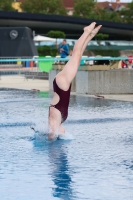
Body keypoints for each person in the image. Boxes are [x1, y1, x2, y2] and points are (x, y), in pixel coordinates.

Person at [48, 22, 102, 140]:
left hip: (61, 84)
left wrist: (51, 139)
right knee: (78, 57)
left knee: (76, 56)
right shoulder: (60, 122)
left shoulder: (53, 121)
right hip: (63, 86)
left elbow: (51, 135)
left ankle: (86, 31)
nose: (63, 131)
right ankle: (90, 36)